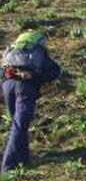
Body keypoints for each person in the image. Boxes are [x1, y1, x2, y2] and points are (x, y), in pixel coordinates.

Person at [1, 31, 62, 173]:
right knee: (20, 126)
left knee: (16, 125)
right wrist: (35, 76)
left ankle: (23, 158)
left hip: (7, 87)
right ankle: (8, 167)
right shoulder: (37, 52)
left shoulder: (11, 52)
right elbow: (55, 71)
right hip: (25, 89)